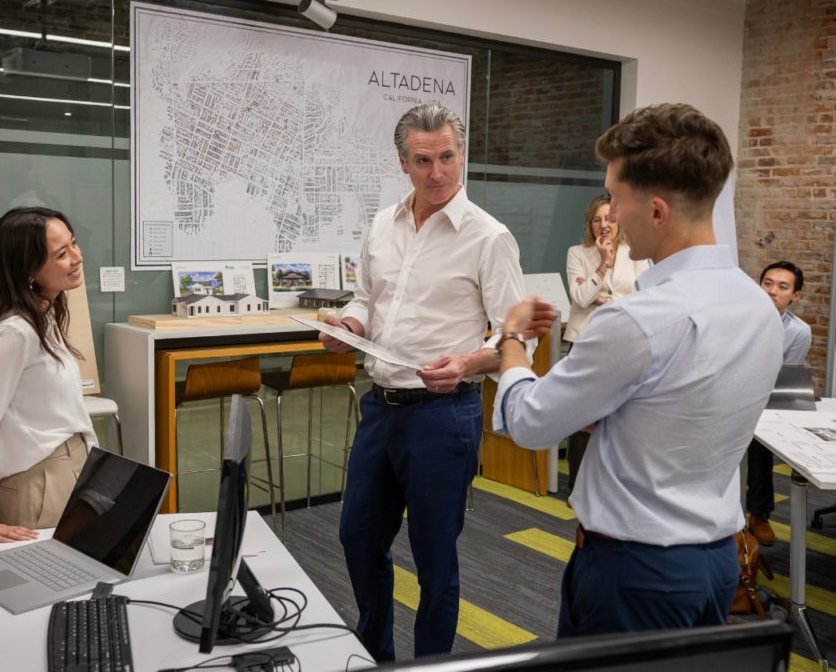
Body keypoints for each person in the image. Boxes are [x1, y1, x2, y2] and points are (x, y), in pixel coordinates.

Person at [494, 103, 784, 637]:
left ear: (655, 212)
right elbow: (682, 409)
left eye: (616, 199)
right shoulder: (758, 305)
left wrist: (512, 340)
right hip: (719, 563)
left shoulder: (636, 320)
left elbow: (530, 423)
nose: (612, 216)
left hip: (636, 573)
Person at [318, 104, 542, 661]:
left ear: (460, 155)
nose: (438, 172)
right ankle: (376, 653)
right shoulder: (381, 224)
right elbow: (368, 299)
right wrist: (349, 325)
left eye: (447, 157)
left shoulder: (489, 238)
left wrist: (468, 363)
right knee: (358, 538)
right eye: (424, 160)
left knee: (434, 558)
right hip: (381, 408)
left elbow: (519, 339)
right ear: (403, 162)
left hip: (444, 415)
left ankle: (433, 665)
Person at [0, 207, 97, 543]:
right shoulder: (12, 333)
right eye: (62, 254)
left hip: (67, 467)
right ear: (28, 270)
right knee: (49, 586)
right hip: (39, 482)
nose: (77, 257)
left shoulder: (44, 315)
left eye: (74, 245)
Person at [562, 193, 650, 491]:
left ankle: (615, 484)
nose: (603, 224)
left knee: (622, 415)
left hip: (624, 343)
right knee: (581, 415)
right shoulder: (577, 253)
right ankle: (578, 486)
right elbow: (581, 297)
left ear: (618, 221)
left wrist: (605, 299)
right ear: (590, 224)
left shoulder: (636, 253)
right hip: (585, 342)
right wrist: (603, 264)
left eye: (608, 218)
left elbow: (646, 299)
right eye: (596, 219)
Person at [746, 260, 811, 546]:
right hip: (723, 393)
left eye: (782, 287)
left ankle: (759, 513)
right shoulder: (737, 316)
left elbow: (780, 377)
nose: (772, 291)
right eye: (767, 283)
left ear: (795, 295)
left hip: (763, 398)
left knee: (762, 438)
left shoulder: (798, 331)